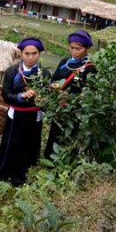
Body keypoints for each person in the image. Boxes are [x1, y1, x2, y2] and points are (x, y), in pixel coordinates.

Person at [0, 38, 51, 186]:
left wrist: (43, 99)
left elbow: (48, 100)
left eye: (34, 53)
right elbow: (6, 96)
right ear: (21, 54)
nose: (30, 57)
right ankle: (3, 177)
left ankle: (21, 180)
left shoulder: (44, 74)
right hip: (15, 116)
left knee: (29, 147)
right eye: (27, 53)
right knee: (10, 145)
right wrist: (21, 96)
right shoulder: (12, 71)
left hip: (34, 116)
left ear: (39, 54)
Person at [43, 30, 97, 159]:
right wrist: (53, 86)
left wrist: (72, 97)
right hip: (59, 109)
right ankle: (49, 162)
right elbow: (54, 79)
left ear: (87, 48)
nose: (74, 51)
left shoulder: (90, 67)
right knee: (54, 135)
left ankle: (66, 165)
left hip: (74, 111)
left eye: (78, 49)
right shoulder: (64, 62)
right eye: (72, 48)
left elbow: (90, 91)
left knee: (68, 138)